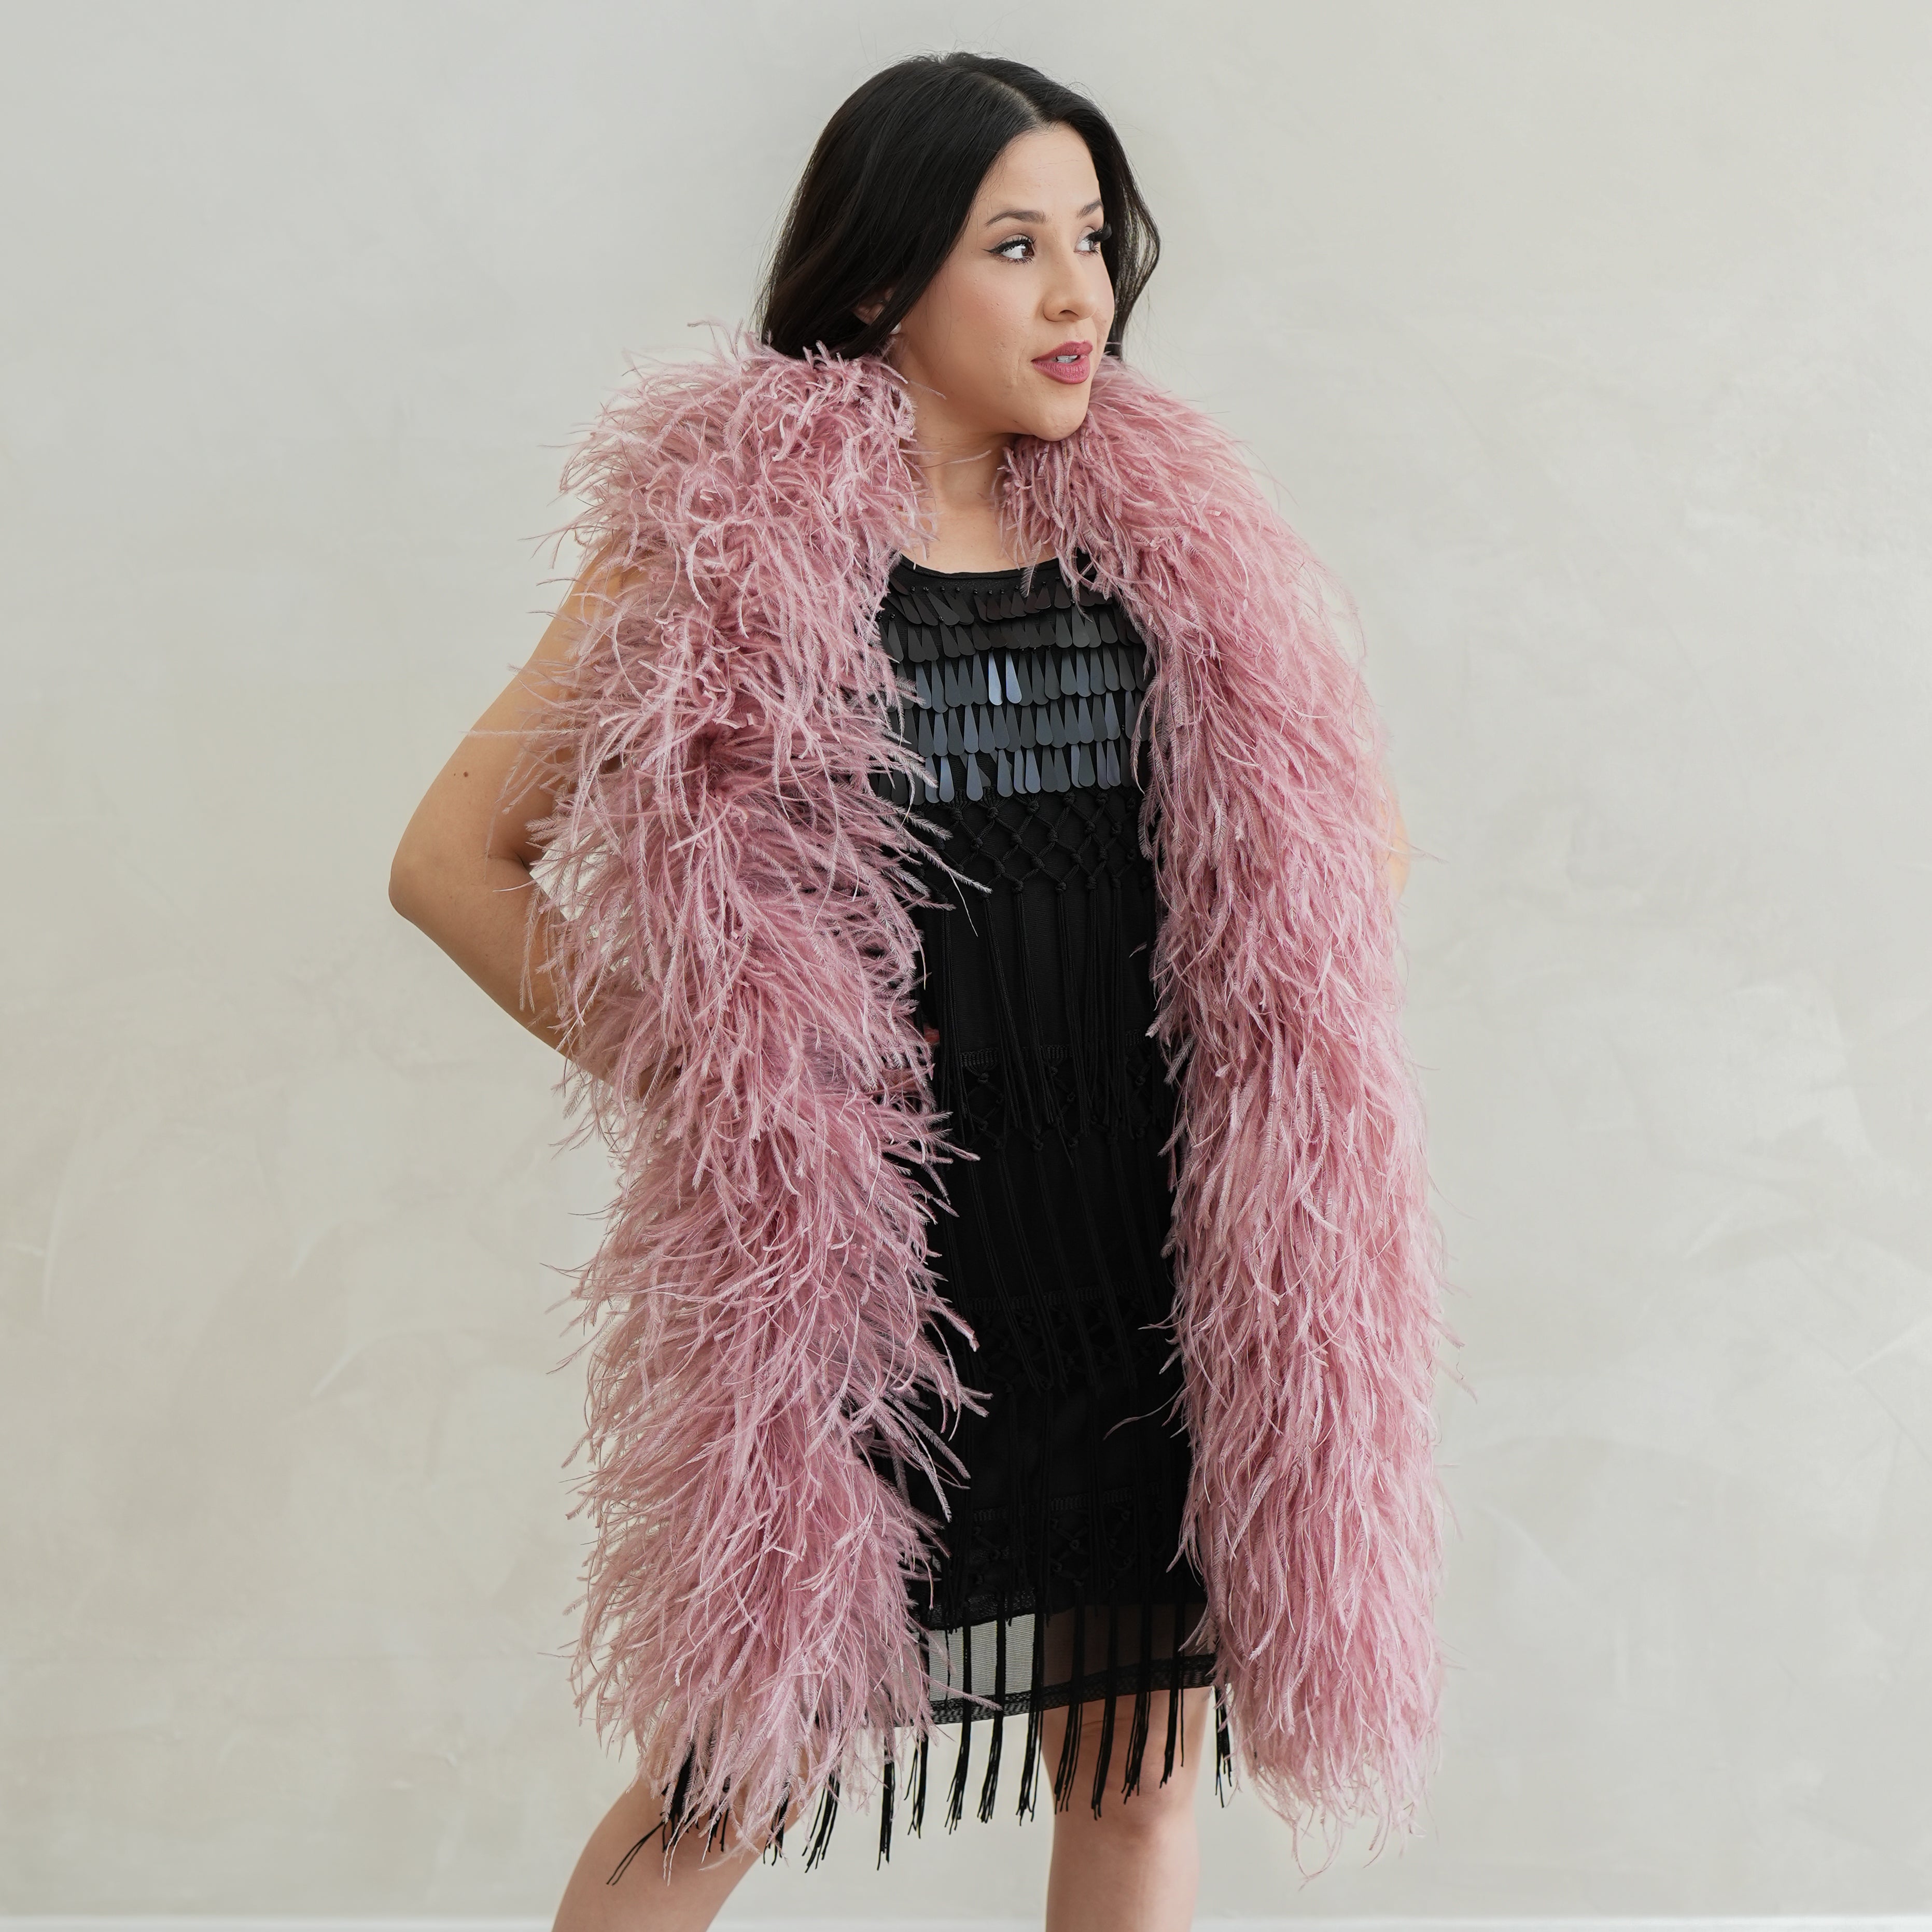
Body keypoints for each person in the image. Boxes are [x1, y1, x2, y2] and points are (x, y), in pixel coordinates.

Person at [390, 51, 1432, 1932]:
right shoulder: (719, 560)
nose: (1076, 293)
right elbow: (452, 862)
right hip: (878, 1279)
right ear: (880, 280)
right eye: (1013, 246)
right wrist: (735, 1068)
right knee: (729, 1778)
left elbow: (1356, 860)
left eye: (1093, 240)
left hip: (1151, 1265)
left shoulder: (1175, 558)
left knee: (1134, 1785)